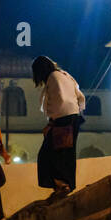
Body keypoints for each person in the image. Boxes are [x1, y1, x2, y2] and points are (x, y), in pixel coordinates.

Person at [33, 55, 85, 200]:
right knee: (66, 153)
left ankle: (61, 185)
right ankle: (65, 184)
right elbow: (80, 96)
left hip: (62, 119)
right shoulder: (65, 75)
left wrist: (52, 123)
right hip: (74, 117)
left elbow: (59, 101)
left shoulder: (52, 78)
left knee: (48, 154)